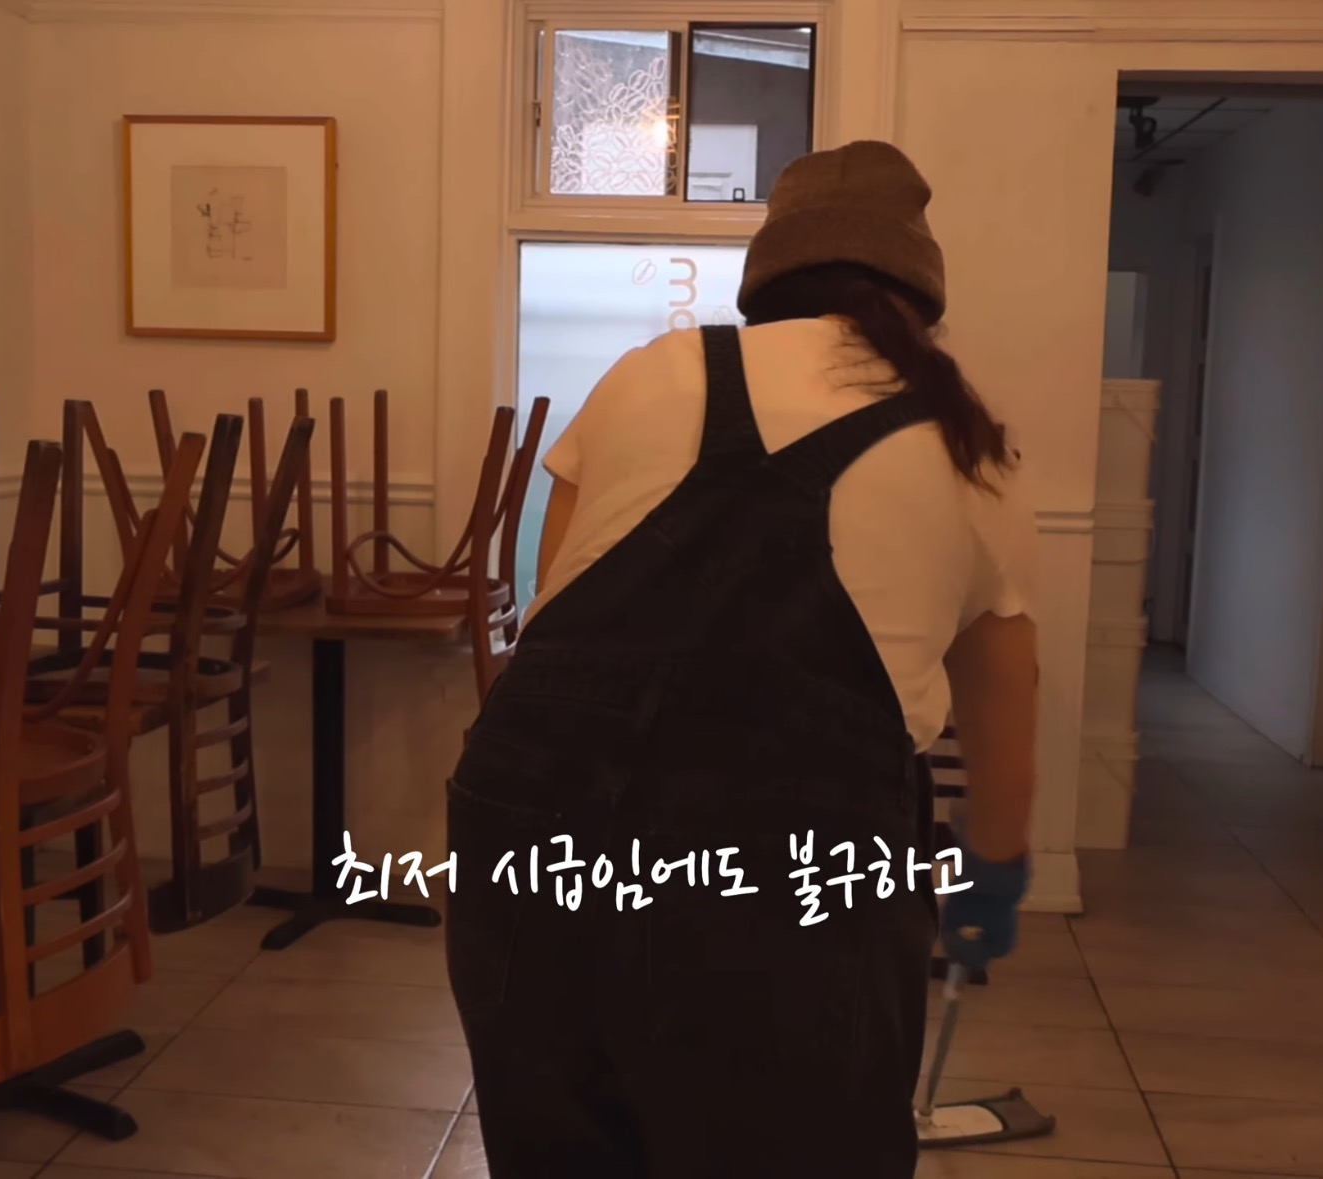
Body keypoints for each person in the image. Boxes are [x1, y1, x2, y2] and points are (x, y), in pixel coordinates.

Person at [445, 140, 1041, 1179]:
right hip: (791, 862)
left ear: (764, 283)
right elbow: (1004, 715)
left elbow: (553, 623)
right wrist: (991, 874)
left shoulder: (650, 372)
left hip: (531, 828)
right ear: (921, 299)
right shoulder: (967, 443)